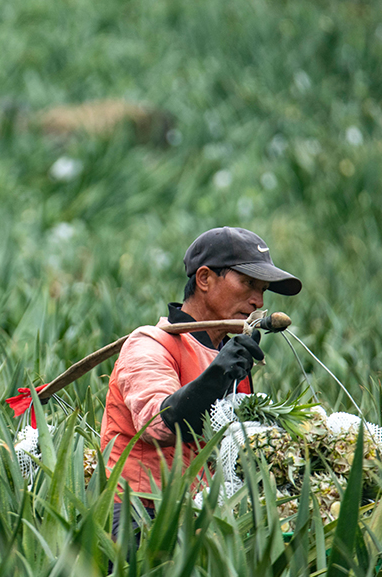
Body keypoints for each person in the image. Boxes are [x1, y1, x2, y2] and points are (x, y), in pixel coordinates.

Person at [100, 226, 302, 539]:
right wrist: (218, 375)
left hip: (204, 515)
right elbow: (160, 426)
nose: (258, 301)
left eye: (263, 290)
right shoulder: (149, 344)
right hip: (138, 514)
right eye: (248, 284)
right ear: (205, 279)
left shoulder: (229, 356)